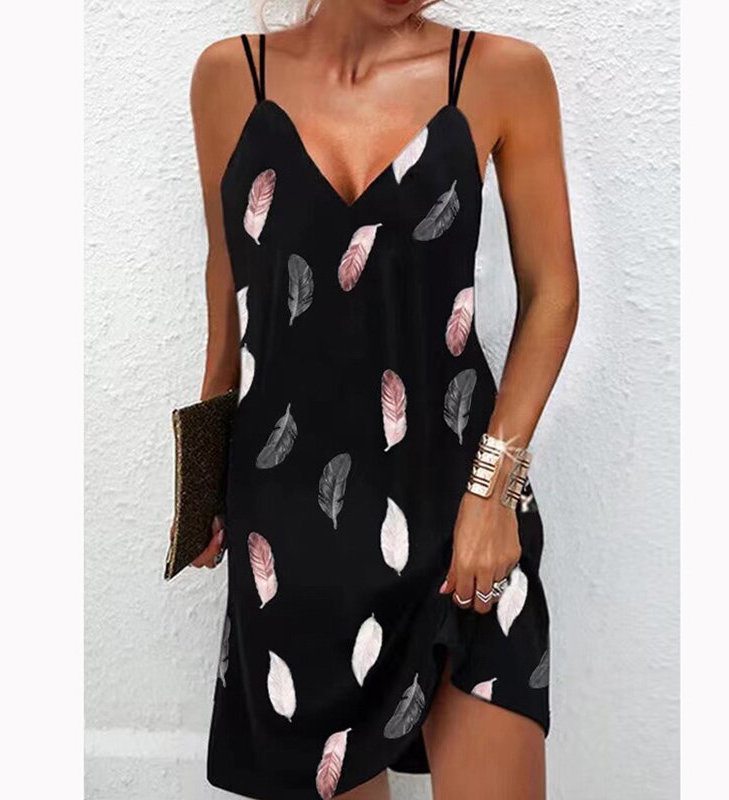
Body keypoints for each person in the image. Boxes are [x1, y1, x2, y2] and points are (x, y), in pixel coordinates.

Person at [182, 1, 578, 797]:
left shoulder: (501, 75)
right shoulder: (231, 79)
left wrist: (495, 488)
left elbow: (553, 294)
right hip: (294, 528)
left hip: (463, 511)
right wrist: (200, 480)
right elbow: (229, 295)